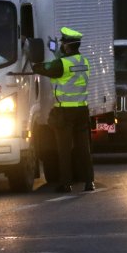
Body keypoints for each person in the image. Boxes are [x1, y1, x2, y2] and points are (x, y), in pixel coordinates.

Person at [32, 26, 94, 193]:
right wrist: (55, 51)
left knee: (64, 149)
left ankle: (66, 184)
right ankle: (89, 182)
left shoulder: (61, 64)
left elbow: (42, 68)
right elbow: (63, 62)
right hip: (81, 109)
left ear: (66, 45)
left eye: (62, 43)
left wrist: (33, 62)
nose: (61, 46)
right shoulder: (84, 61)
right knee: (83, 149)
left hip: (64, 112)